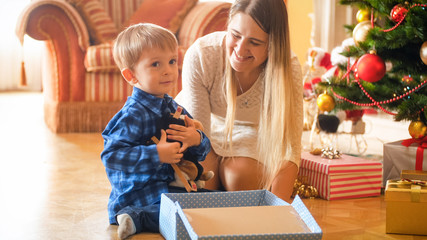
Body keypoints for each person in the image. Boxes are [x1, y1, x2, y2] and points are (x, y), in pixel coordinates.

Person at [175, 0, 303, 203]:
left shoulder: (288, 68)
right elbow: (198, 136)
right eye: (235, 35)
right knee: (204, 183)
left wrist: (280, 207)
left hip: (247, 131)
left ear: (272, 45)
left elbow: (290, 145)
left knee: (240, 179)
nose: (240, 50)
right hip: (200, 129)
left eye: (255, 42)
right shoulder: (201, 55)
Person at [101, 23, 211, 239]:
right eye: (155, 64)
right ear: (131, 75)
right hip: (138, 194)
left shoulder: (173, 107)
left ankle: (148, 216)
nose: (168, 70)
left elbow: (200, 153)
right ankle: (135, 217)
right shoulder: (132, 115)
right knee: (184, 212)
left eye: (172, 61)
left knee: (211, 203)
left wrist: (196, 139)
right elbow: (111, 156)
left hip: (168, 187)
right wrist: (156, 154)